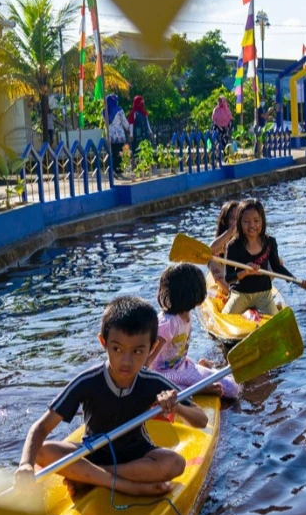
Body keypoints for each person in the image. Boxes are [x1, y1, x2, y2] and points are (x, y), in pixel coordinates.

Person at [15, 296, 208, 496]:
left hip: (136, 455)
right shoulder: (87, 381)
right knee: (41, 451)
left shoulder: (153, 381)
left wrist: (176, 406)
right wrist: (25, 464)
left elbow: (201, 420)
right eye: (117, 349)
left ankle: (90, 477)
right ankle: (129, 486)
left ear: (151, 348)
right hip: (92, 452)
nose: (126, 361)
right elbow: (41, 427)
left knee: (175, 463)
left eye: (137, 351)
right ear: (103, 343)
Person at [147, 264, 240, 399]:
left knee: (232, 388)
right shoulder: (167, 324)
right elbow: (147, 361)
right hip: (164, 375)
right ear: (191, 293)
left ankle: (200, 370)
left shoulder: (186, 314)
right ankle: (200, 389)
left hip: (183, 366)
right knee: (168, 392)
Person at [222, 198, 306, 316]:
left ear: (262, 221)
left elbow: (277, 268)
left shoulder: (270, 242)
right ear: (239, 222)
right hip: (240, 294)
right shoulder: (233, 246)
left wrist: (298, 282)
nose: (252, 225)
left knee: (277, 322)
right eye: (246, 221)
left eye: (256, 221)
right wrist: (245, 272)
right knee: (225, 317)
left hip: (264, 294)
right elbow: (228, 278)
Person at [208, 200, 240, 296]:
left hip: (245, 282)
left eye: (239, 218)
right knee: (212, 260)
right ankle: (234, 295)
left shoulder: (248, 239)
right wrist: (231, 231)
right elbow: (209, 251)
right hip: (227, 287)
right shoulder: (220, 244)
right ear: (224, 221)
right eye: (232, 219)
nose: (237, 222)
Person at [107, 94, 131, 177]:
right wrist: (128, 129)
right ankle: (118, 170)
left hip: (110, 136)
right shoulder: (119, 111)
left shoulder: (105, 112)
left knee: (113, 153)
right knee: (119, 153)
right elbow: (125, 123)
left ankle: (113, 169)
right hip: (119, 136)